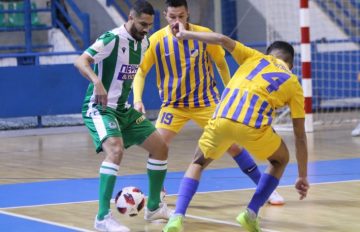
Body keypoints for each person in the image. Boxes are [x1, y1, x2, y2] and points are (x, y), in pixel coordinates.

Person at [133, 0, 284, 206]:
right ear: (165, 16)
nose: (177, 21)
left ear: (188, 15)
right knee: (157, 146)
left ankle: (264, 189)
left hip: (206, 102)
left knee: (233, 146)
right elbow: (141, 71)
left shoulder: (203, 35)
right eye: (172, 17)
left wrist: (230, 91)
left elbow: (221, 63)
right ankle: (157, 192)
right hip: (173, 105)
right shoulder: (156, 40)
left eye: (181, 16)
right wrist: (137, 99)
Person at [162, 22, 310, 232]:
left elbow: (221, 40)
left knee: (198, 162)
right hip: (253, 126)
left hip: (221, 117)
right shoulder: (294, 83)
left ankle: (176, 217)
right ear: (291, 65)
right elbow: (300, 136)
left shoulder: (254, 56)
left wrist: (185, 34)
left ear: (268, 54)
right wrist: (302, 175)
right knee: (280, 159)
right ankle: (250, 213)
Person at [74, 1, 172, 231]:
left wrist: (135, 100)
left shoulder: (144, 42)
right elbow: (81, 60)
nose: (146, 29)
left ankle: (154, 207)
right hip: (99, 107)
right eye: (142, 24)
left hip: (123, 109)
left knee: (160, 148)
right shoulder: (112, 39)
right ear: (130, 17)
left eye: (149, 25)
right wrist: (97, 82)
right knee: (115, 151)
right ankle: (102, 218)